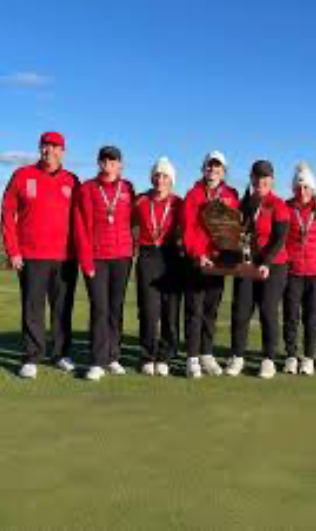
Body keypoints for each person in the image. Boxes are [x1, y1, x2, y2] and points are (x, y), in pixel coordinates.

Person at [1, 131, 79, 379]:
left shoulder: (72, 180)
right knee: (33, 307)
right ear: (39, 148)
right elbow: (7, 214)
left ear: (62, 151)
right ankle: (32, 356)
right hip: (31, 255)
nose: (50, 151)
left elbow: (83, 219)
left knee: (62, 307)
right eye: (45, 146)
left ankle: (60, 354)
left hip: (66, 256)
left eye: (55, 147)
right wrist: (13, 250)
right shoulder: (22, 175)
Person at [74, 146, 135, 381]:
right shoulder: (88, 188)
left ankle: (113, 357)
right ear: (99, 163)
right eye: (104, 160)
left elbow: (135, 220)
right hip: (97, 257)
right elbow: (80, 227)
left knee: (115, 308)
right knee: (99, 308)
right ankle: (98, 360)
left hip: (122, 257)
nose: (108, 164)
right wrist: (86, 260)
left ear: (120, 164)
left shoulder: (128, 187)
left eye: (113, 160)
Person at [226, 160, 290, 379]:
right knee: (241, 311)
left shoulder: (278, 204)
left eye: (265, 178)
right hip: (247, 263)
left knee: (267, 310)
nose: (261, 181)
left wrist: (266, 263)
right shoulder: (245, 203)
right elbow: (238, 232)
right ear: (252, 178)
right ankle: (237, 356)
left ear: (271, 180)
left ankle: (268, 359)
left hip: (273, 265)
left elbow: (279, 238)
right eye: (257, 177)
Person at [182, 151, 239, 378]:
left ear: (224, 171)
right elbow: (188, 229)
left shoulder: (232, 194)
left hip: (218, 262)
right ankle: (192, 357)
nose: (213, 171)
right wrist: (198, 254)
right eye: (209, 166)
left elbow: (233, 228)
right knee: (194, 309)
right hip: (198, 261)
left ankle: (206, 353)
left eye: (218, 167)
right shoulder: (193, 194)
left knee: (211, 309)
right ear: (203, 169)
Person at [133, 157, 183, 377]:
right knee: (149, 309)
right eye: (157, 175)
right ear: (152, 177)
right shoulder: (140, 200)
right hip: (147, 255)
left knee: (170, 308)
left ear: (171, 180)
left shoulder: (179, 203)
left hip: (171, 255)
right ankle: (147, 354)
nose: (160, 180)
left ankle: (166, 355)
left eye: (165, 176)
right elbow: (126, 223)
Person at [283, 163, 316, 376]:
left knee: (312, 317)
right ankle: (291, 355)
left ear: (312, 188)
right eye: (298, 187)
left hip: (315, 272)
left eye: (306, 187)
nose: (302, 191)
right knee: (291, 316)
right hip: (293, 271)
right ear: (293, 188)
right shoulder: (286, 207)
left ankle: (308, 357)